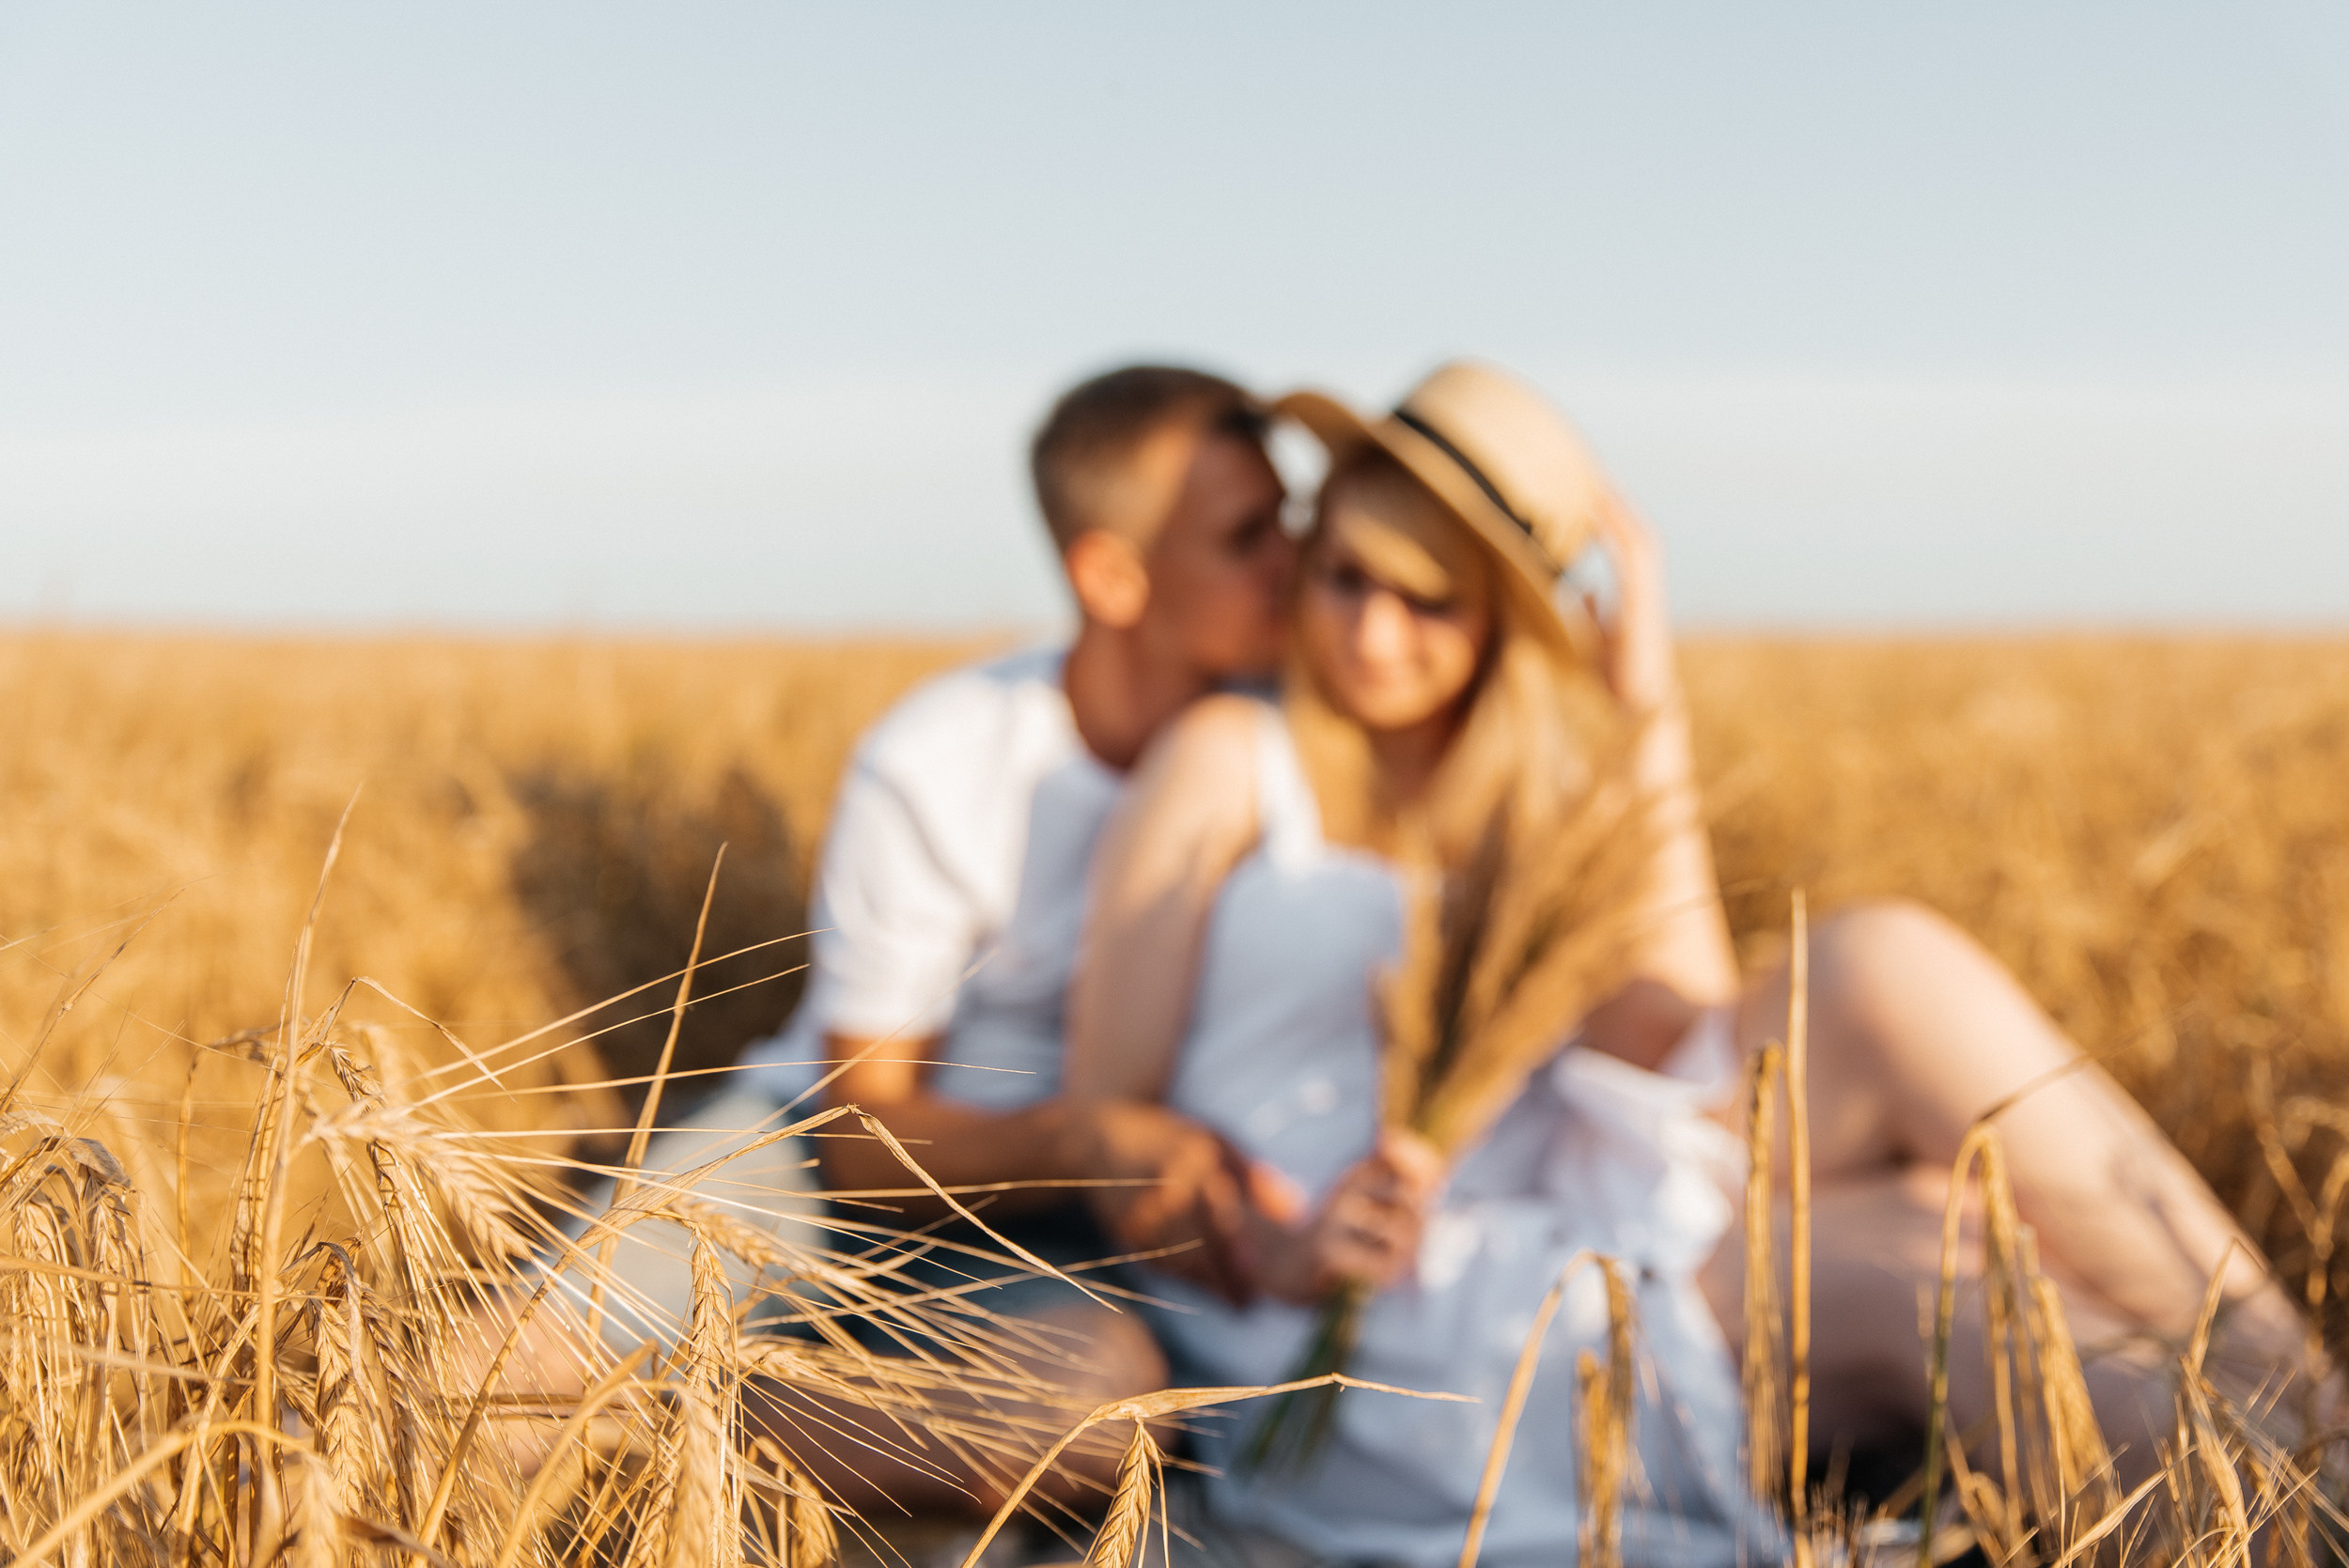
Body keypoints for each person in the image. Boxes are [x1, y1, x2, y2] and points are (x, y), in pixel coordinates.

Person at [1062, 362, 2324, 1565]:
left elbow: (1679, 1035)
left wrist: (1644, 704)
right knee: (1917, 1273)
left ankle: (2310, 1430)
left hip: (1561, 1213)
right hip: (1356, 1332)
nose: (1371, 632)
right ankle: (2296, 1516)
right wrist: (1279, 1251)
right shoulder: (1228, 758)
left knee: (1885, 967)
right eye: (1344, 575)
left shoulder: (1531, 791)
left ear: (1499, 615)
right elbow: (1104, 1120)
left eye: (1430, 598)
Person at [508, 363, 1302, 1514]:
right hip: (817, 1151)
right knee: (516, 1365)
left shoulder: (1302, 752)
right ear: (1111, 575)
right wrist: (1088, 1134)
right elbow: (862, 1142)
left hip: (1068, 1227)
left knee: (1092, 1408)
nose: (1294, 559)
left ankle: (656, 1454)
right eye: (1246, 536)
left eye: (1288, 517)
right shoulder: (942, 756)